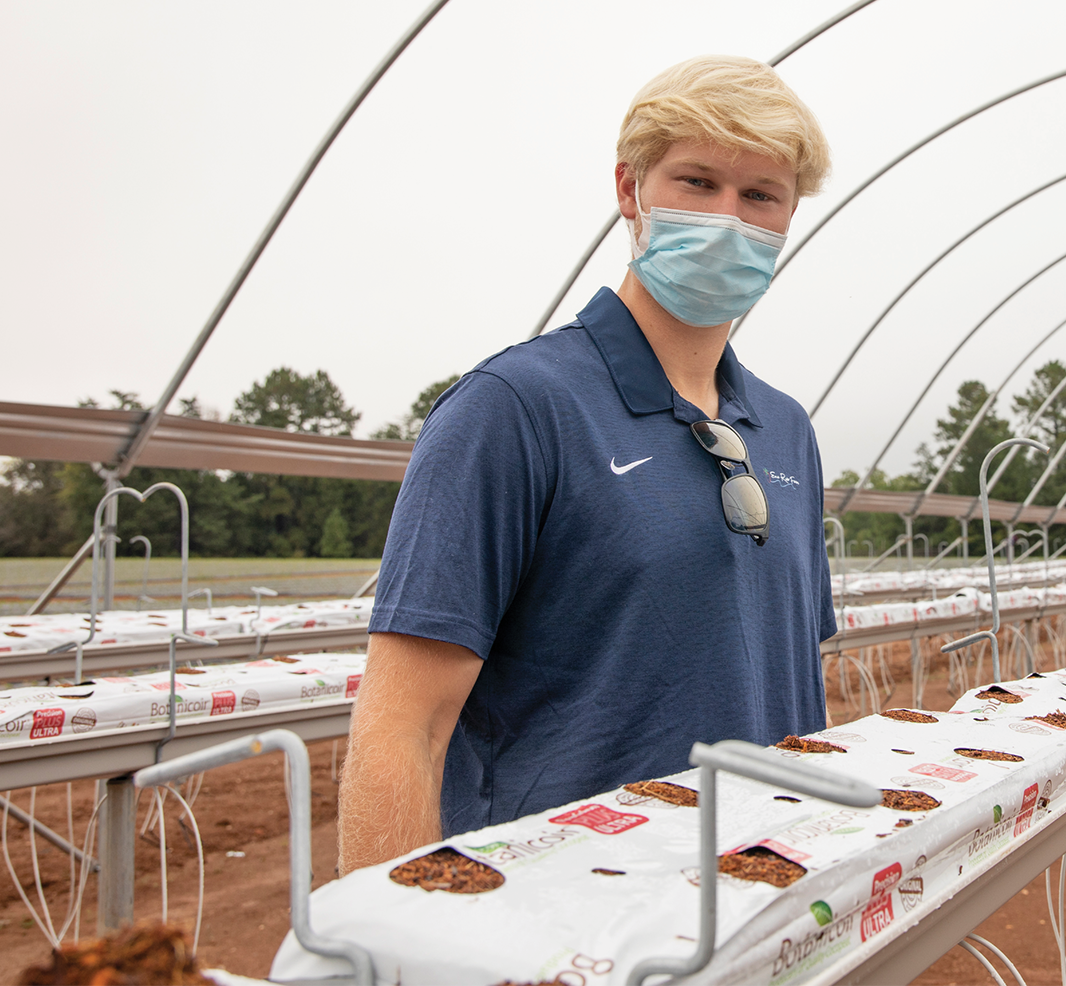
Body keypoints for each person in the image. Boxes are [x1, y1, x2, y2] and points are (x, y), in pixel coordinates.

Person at [337, 56, 837, 873]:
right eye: (697, 182)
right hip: (566, 915)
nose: (726, 220)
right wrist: (394, 941)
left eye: (759, 197)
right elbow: (405, 729)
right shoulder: (515, 408)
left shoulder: (783, 429)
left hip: (759, 900)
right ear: (629, 190)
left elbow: (790, 680)